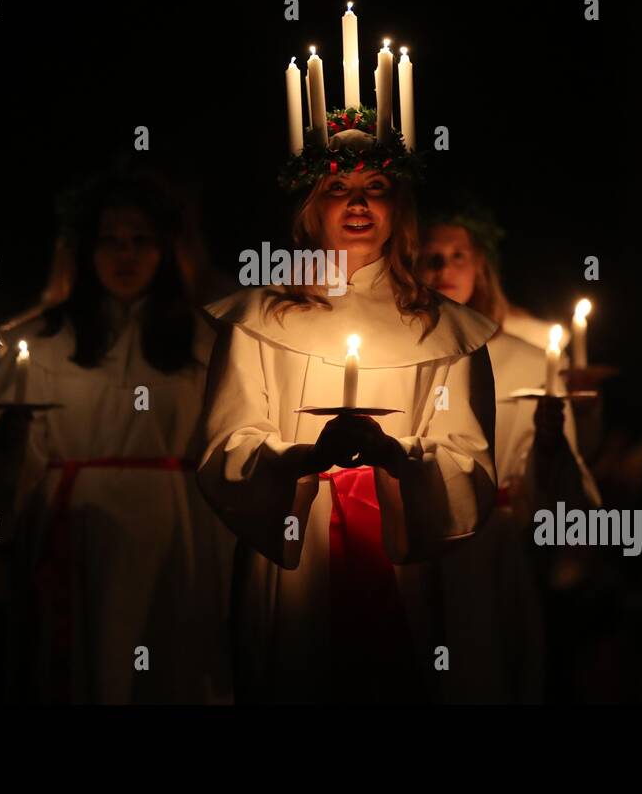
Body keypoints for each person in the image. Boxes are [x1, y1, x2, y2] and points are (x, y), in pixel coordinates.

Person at [197, 149, 503, 703]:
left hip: (397, 543)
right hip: (294, 549)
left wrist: (396, 456)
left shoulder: (444, 328)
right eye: (338, 187)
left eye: (377, 184)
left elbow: (468, 459)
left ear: (400, 205)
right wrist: (303, 460)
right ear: (310, 207)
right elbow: (226, 447)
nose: (358, 202)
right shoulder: (258, 319)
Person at [0, 168, 233, 704]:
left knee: (171, 669)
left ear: (164, 248)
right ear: (86, 249)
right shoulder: (38, 341)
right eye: (110, 240)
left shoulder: (204, 340)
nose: (125, 255)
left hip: (178, 534)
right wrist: (10, 444)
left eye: (140, 241)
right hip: (78, 533)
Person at [417, 205, 601, 702]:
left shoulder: (522, 360)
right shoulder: (402, 353)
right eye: (430, 256)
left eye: (458, 255)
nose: (442, 268)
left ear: (481, 267)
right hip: (416, 538)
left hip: (494, 543)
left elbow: (554, 477)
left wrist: (546, 446)